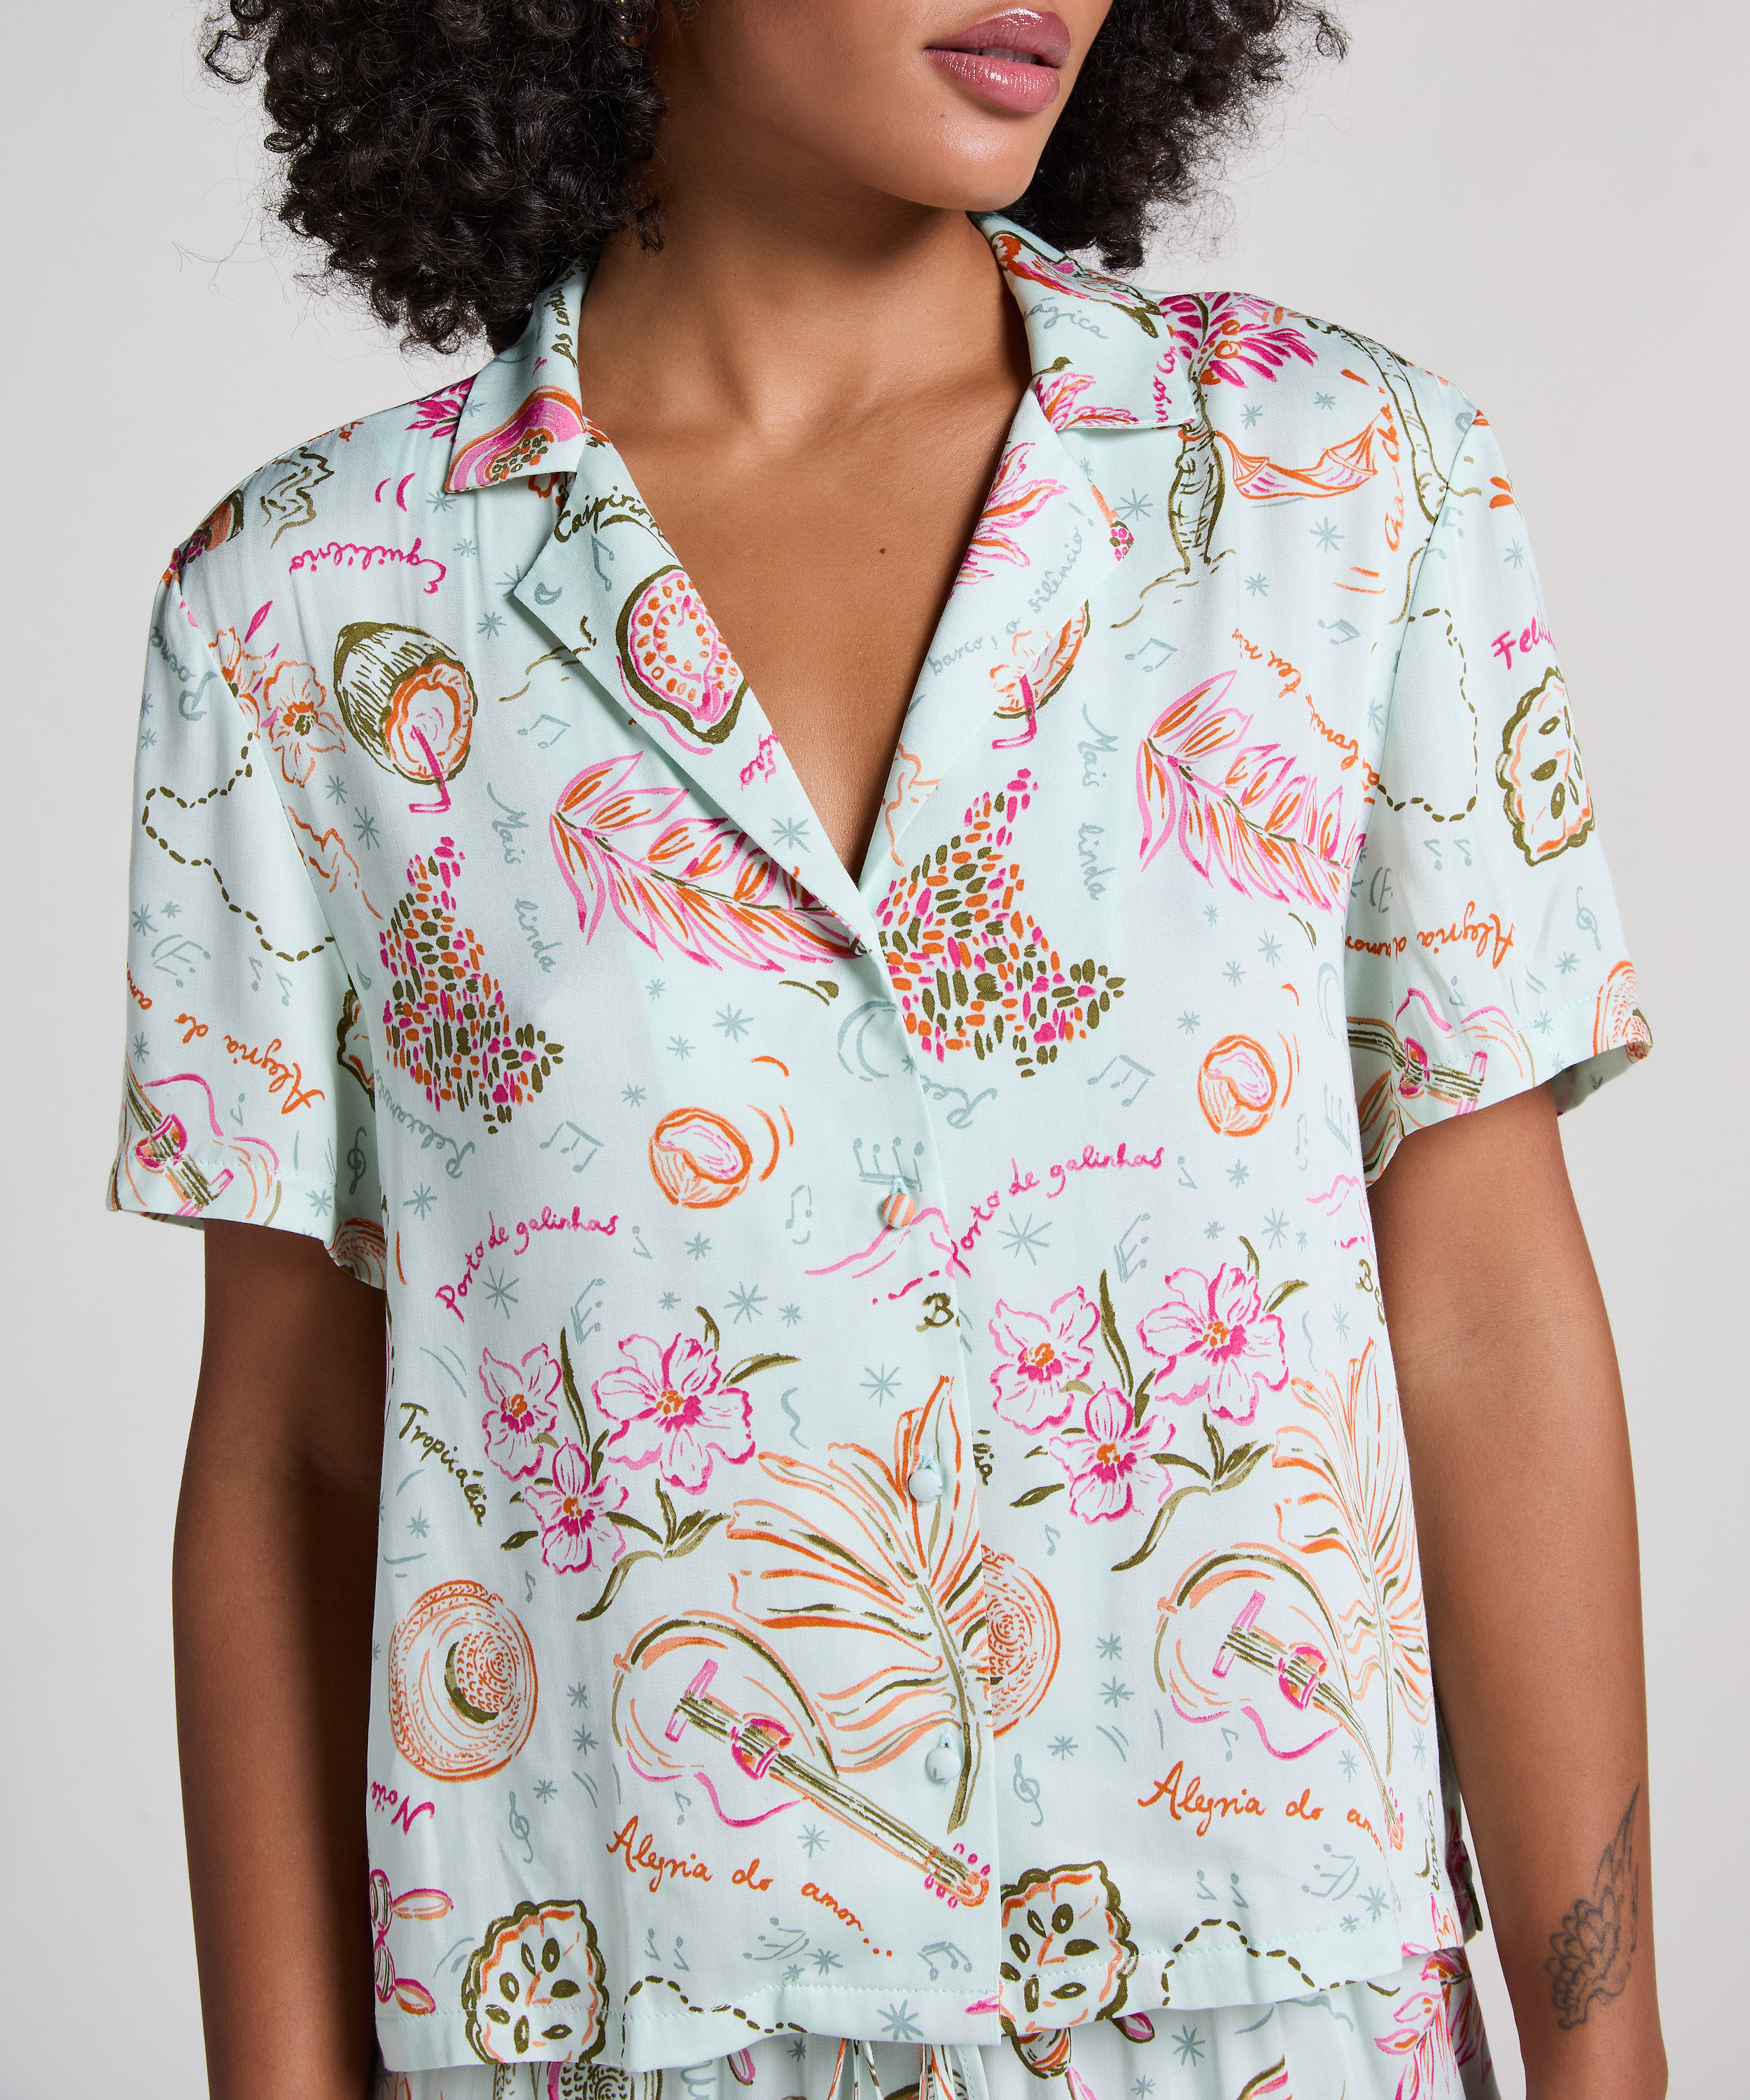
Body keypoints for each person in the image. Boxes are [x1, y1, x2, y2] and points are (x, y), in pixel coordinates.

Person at [112, 4, 1667, 2097]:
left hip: (1276, 2021)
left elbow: (1481, 1314)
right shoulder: (308, 613)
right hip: (607, 2027)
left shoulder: (1341, 488)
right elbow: (295, 1447)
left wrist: (1608, 2056)